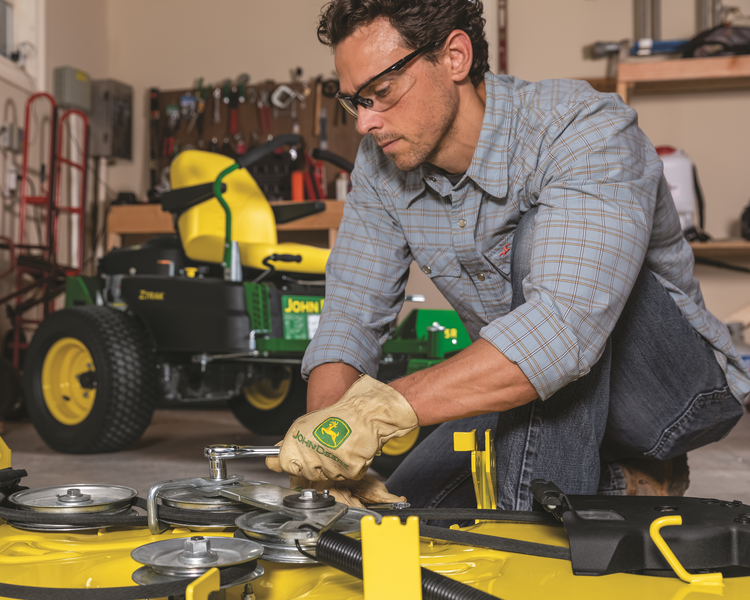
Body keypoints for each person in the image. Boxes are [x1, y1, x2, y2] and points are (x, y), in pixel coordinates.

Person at [266, 0, 749, 510]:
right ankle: (623, 487)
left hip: (668, 398)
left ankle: (536, 525)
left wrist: (381, 410)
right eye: (354, 102)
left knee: (536, 238)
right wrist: (325, 437)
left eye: (380, 93)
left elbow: (562, 326)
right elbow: (350, 316)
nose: (366, 122)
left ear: (454, 57)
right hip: (527, 396)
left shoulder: (580, 128)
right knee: (409, 511)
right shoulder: (379, 167)